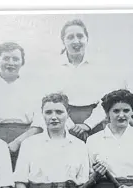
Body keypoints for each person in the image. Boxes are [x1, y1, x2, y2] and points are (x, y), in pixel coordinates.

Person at [13, 19, 120, 148]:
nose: (76, 41)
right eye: (70, 37)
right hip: (62, 120)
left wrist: (87, 125)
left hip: (95, 122)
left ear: (87, 39)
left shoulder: (99, 66)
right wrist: (69, 125)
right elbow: (50, 99)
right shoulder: (53, 67)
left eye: (80, 36)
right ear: (63, 41)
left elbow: (106, 100)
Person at [14, 93, 89, 188]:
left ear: (68, 113)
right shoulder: (29, 144)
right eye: (48, 112)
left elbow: (84, 184)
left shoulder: (79, 145)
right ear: (42, 114)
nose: (54, 117)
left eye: (59, 112)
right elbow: (19, 183)